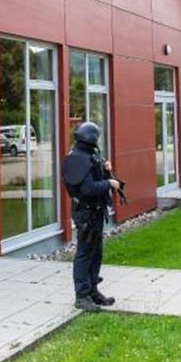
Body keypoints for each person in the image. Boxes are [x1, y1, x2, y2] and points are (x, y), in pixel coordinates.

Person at [62, 121, 121, 312]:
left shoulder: (86, 155)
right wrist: (109, 183)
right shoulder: (76, 159)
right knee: (85, 254)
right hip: (86, 214)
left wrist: (104, 168)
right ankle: (82, 296)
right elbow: (87, 188)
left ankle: (93, 290)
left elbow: (93, 172)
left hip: (94, 213)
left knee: (96, 253)